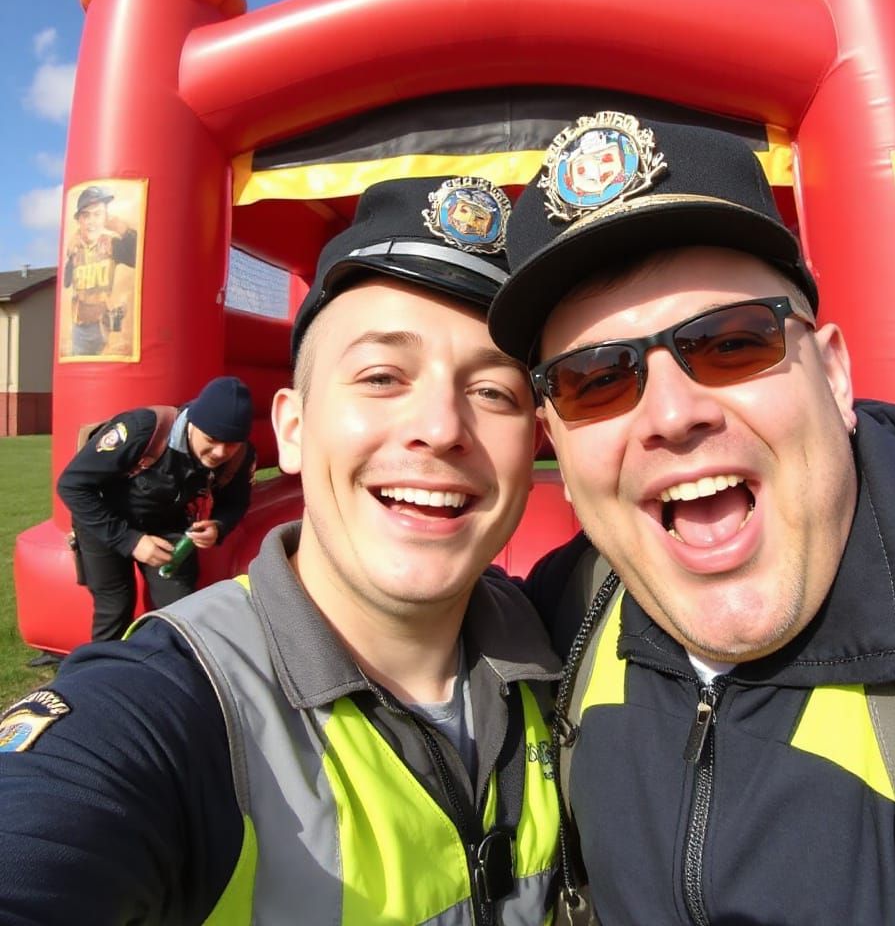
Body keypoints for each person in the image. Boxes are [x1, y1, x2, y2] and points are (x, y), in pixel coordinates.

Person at [488, 112, 895, 924]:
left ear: (835, 375)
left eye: (732, 343)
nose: (672, 413)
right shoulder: (566, 612)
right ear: (555, 439)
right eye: (595, 380)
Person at [0, 177, 561, 924]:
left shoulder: (567, 644)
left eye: (494, 392)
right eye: (382, 377)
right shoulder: (170, 706)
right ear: (292, 429)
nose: (440, 426)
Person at [56, 375, 257, 643]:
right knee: (115, 606)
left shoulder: (240, 455)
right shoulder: (142, 429)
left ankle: (164, 672)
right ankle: (100, 673)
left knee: (181, 610)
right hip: (105, 519)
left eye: (231, 443)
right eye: (211, 438)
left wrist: (219, 526)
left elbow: (236, 501)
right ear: (193, 422)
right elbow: (72, 485)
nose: (220, 451)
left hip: (166, 524)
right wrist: (130, 540)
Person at [62, 184, 138, 356]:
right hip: (80, 328)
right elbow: (66, 282)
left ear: (105, 218)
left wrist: (124, 231)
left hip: (108, 326)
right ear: (79, 220)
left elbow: (139, 257)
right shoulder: (75, 248)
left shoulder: (110, 244)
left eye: (97, 214)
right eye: (86, 215)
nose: (91, 221)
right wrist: (69, 256)